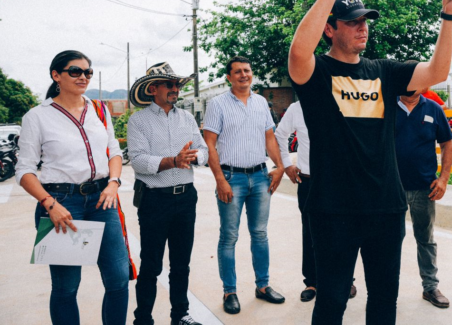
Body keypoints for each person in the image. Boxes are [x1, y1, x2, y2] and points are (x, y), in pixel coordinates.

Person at [287, 0, 452, 324]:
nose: (362, 26)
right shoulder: (317, 74)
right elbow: (298, 51)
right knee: (332, 300)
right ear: (330, 29)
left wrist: (448, 14)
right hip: (333, 209)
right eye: (351, 21)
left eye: (365, 20)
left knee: (384, 302)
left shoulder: (384, 71)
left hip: (385, 207)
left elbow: (437, 71)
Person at [16, 50, 128, 324]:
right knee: (67, 287)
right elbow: (24, 170)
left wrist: (113, 183)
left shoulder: (98, 109)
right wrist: (49, 204)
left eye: (87, 72)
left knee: (118, 279)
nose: (83, 77)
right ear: (56, 75)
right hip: (61, 202)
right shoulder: (37, 116)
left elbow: (114, 151)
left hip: (103, 199)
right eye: (75, 71)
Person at [203, 56, 286, 314]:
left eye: (247, 71)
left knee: (260, 234)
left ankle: (263, 286)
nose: (243, 75)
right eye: (237, 72)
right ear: (229, 77)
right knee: (229, 236)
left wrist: (280, 165)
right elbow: (210, 145)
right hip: (231, 179)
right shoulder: (216, 104)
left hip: (260, 177)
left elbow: (269, 138)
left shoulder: (261, 102)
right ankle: (230, 291)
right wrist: (219, 180)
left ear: (252, 74)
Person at [127, 62, 209, 325]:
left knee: (181, 264)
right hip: (155, 200)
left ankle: (180, 316)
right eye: (170, 85)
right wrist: (173, 161)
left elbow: (204, 151)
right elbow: (138, 160)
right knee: (151, 265)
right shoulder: (138, 120)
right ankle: (143, 319)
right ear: (153, 89)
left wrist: (193, 157)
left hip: (186, 197)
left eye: (177, 85)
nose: (176, 89)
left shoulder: (186, 118)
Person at [274, 101, 359, 302]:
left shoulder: (343, 101)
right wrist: (287, 165)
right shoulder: (297, 107)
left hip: (340, 180)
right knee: (311, 231)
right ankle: (312, 282)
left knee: (343, 232)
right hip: (309, 181)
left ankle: (345, 280)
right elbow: (280, 135)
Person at [395, 90, 452, 308]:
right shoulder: (386, 106)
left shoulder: (434, 109)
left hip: (425, 188)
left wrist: (444, 179)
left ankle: (430, 287)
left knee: (426, 238)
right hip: (393, 188)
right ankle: (387, 289)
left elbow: (447, 143)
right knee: (390, 241)